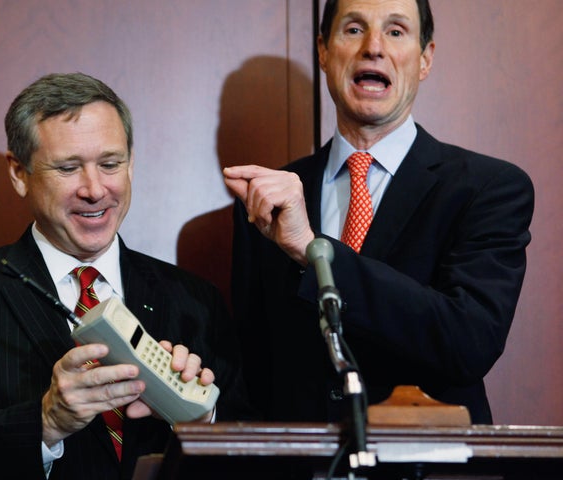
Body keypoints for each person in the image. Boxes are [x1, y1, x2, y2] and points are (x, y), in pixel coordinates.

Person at [0, 73, 249, 479]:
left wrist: (200, 420)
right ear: (19, 173)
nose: (95, 190)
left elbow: (254, 455)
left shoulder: (195, 299)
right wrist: (44, 424)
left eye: (111, 164)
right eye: (68, 168)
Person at [223, 0, 534, 425]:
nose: (373, 47)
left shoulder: (488, 188)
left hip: (426, 466)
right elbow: (254, 373)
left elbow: (468, 342)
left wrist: (311, 250)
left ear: (424, 59)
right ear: (323, 52)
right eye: (353, 29)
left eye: (395, 31)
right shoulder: (266, 200)